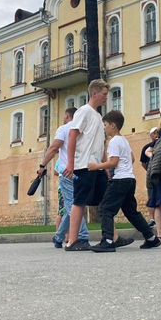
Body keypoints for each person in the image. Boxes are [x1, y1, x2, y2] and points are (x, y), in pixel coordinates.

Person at [87, 110, 161, 252]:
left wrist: (97, 166)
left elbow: (114, 162)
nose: (104, 127)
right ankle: (151, 238)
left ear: (113, 126)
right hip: (129, 179)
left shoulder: (114, 141)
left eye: (106, 125)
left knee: (105, 209)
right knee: (131, 211)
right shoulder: (124, 140)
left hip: (120, 180)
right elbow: (132, 158)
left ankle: (108, 241)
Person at [63, 80, 110, 251]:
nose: (106, 97)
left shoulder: (98, 116)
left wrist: (105, 167)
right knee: (79, 201)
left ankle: (112, 236)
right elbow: (73, 136)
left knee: (107, 200)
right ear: (95, 93)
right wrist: (71, 163)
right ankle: (72, 241)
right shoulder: (84, 112)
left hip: (96, 166)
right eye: (104, 94)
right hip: (84, 165)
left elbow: (100, 144)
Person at [37, 107, 90, 249]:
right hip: (83, 171)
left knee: (73, 206)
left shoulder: (64, 129)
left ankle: (83, 236)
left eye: (64, 116)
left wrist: (43, 165)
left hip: (68, 172)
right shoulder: (84, 129)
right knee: (74, 205)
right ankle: (59, 237)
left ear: (68, 116)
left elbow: (54, 148)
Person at [140, 127, 159, 227]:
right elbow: (143, 163)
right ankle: (152, 219)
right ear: (151, 135)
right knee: (151, 197)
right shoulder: (146, 148)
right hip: (151, 176)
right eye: (154, 133)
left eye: (157, 133)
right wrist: (150, 171)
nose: (156, 135)